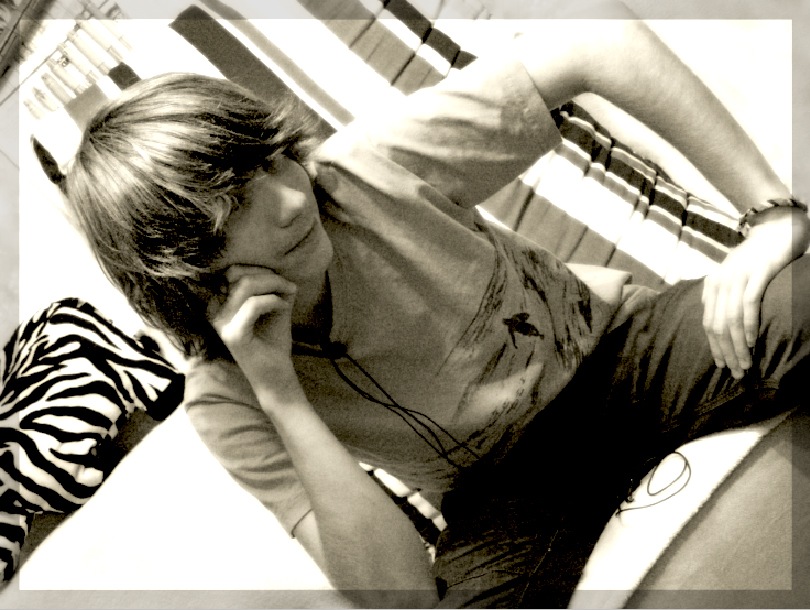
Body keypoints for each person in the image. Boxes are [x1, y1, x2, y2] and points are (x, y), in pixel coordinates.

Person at [62, 7, 810, 609]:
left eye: (272, 160)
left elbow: (597, 40)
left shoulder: (361, 171)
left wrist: (770, 215)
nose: (290, 199)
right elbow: (398, 596)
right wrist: (280, 392)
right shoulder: (225, 398)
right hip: (504, 494)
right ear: (185, 271)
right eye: (236, 207)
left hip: (626, 352)